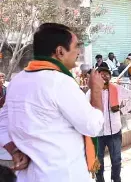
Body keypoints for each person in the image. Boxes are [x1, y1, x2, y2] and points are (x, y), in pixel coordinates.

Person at [0, 23, 105, 182]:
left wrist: (14, 151)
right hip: (63, 175)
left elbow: (2, 122)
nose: (79, 52)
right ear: (60, 52)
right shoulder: (60, 82)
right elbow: (92, 126)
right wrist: (96, 91)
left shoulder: (17, 80)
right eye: (76, 46)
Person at [88, 66, 131, 182]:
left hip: (114, 132)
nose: (104, 76)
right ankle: (99, 180)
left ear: (110, 76)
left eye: (107, 74)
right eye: (101, 74)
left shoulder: (117, 89)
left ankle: (116, 179)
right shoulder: (92, 92)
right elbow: (84, 108)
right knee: (98, 161)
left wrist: (123, 110)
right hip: (98, 133)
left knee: (116, 160)